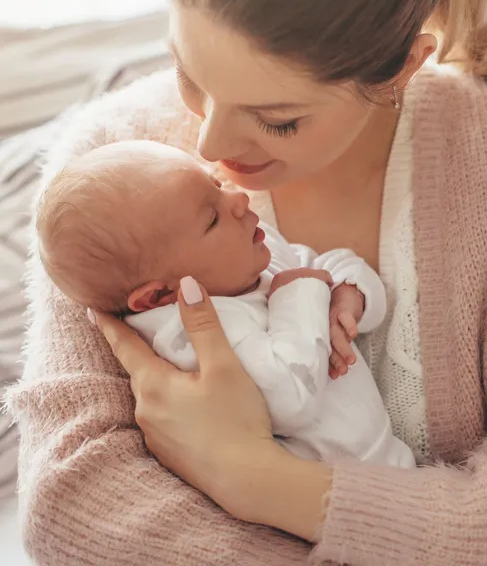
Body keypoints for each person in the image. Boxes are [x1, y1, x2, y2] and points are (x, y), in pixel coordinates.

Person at [6, 0, 487, 564]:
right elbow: (71, 504)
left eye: (277, 118)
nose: (210, 146)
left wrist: (253, 479)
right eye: (187, 74)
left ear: (402, 67)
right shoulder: (109, 167)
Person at [35, 140, 415, 468]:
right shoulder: (189, 336)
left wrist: (349, 295)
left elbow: (331, 263)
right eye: (212, 219)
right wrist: (299, 293)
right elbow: (291, 399)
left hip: (388, 459)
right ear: (159, 296)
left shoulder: (251, 258)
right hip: (333, 491)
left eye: (216, 184)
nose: (237, 198)